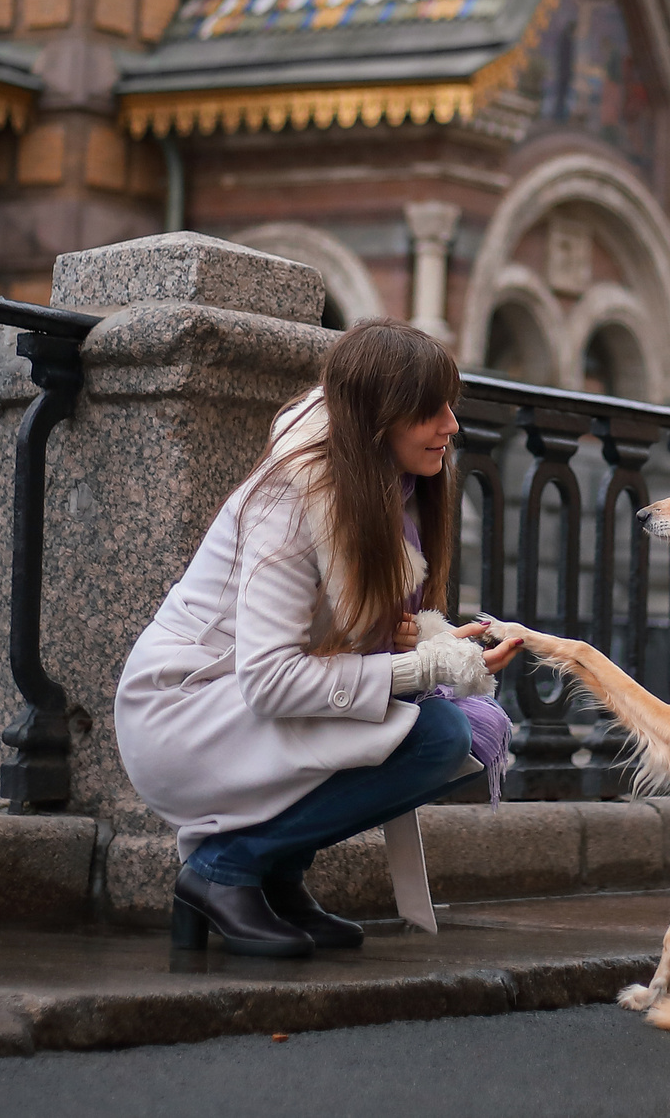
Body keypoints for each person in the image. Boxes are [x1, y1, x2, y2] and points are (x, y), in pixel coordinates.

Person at [115, 320, 521, 957]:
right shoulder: (293, 498)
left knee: (473, 724)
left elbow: (357, 641)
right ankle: (226, 870)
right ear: (378, 415)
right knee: (441, 734)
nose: (450, 425)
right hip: (185, 713)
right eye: (429, 410)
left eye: (451, 405)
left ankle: (276, 875)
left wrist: (440, 648)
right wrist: (421, 669)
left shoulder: (390, 489)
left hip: (240, 708)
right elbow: (270, 677)